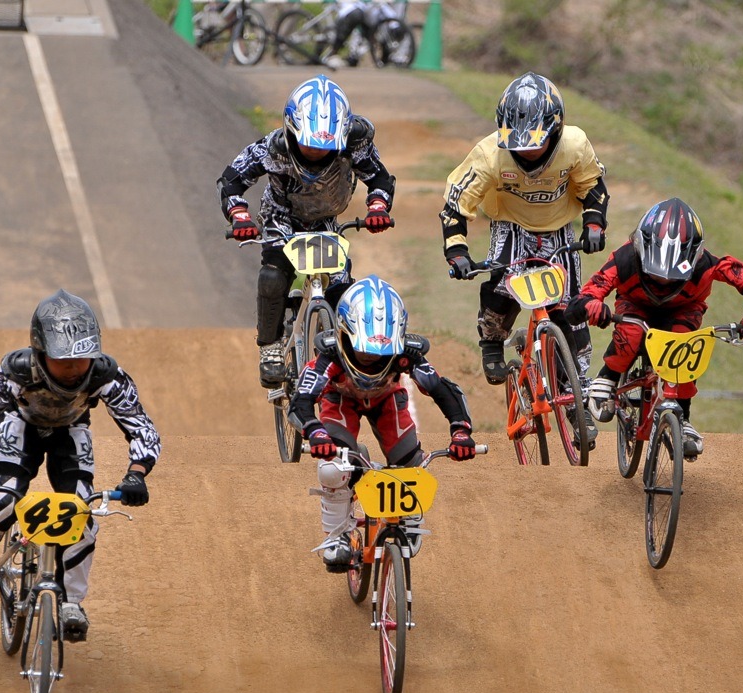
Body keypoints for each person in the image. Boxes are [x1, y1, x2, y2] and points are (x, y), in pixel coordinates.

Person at [0, 290, 161, 642]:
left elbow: (142, 426)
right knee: (2, 499)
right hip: (21, 425)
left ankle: (73, 602)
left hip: (71, 430)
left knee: (81, 510)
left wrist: (136, 474)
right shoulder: (15, 371)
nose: (73, 369)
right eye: (62, 360)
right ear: (39, 351)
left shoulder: (106, 375)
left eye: (81, 360)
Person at [439, 71, 609, 447]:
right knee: (502, 285)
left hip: (561, 228)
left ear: (556, 129)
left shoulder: (575, 145)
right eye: (518, 144)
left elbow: (593, 189)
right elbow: (455, 206)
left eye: (536, 143)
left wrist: (594, 225)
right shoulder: (488, 155)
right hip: (510, 224)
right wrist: (457, 251)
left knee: (571, 309)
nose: (528, 152)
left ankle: (575, 402)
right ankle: (492, 341)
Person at [566, 197, 743, 458]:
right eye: (656, 272)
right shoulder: (623, 259)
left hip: (683, 312)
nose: (664, 280)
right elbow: (582, 299)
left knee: (687, 344)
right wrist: (592, 307)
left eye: (673, 274)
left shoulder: (709, 265)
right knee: (631, 332)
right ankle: (608, 377)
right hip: (635, 308)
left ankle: (684, 417)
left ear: (695, 256)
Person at [218, 75, 396, 389]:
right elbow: (233, 179)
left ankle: (347, 351)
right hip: (281, 219)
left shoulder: (356, 143)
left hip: (327, 220)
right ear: (291, 129)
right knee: (273, 275)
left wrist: (378, 208)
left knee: (342, 289)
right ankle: (271, 348)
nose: (316, 152)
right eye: (309, 143)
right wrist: (240, 215)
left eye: (326, 146)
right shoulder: (272, 147)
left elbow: (380, 178)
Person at [289, 275, 476, 570]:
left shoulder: (406, 355)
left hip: (387, 401)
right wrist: (316, 433)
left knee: (411, 465)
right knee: (332, 467)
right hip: (341, 402)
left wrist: (461, 430)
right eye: (363, 349)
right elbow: (300, 400)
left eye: (381, 353)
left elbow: (441, 389)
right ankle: (337, 536)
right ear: (343, 335)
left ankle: (410, 514)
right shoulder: (328, 356)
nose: (371, 358)